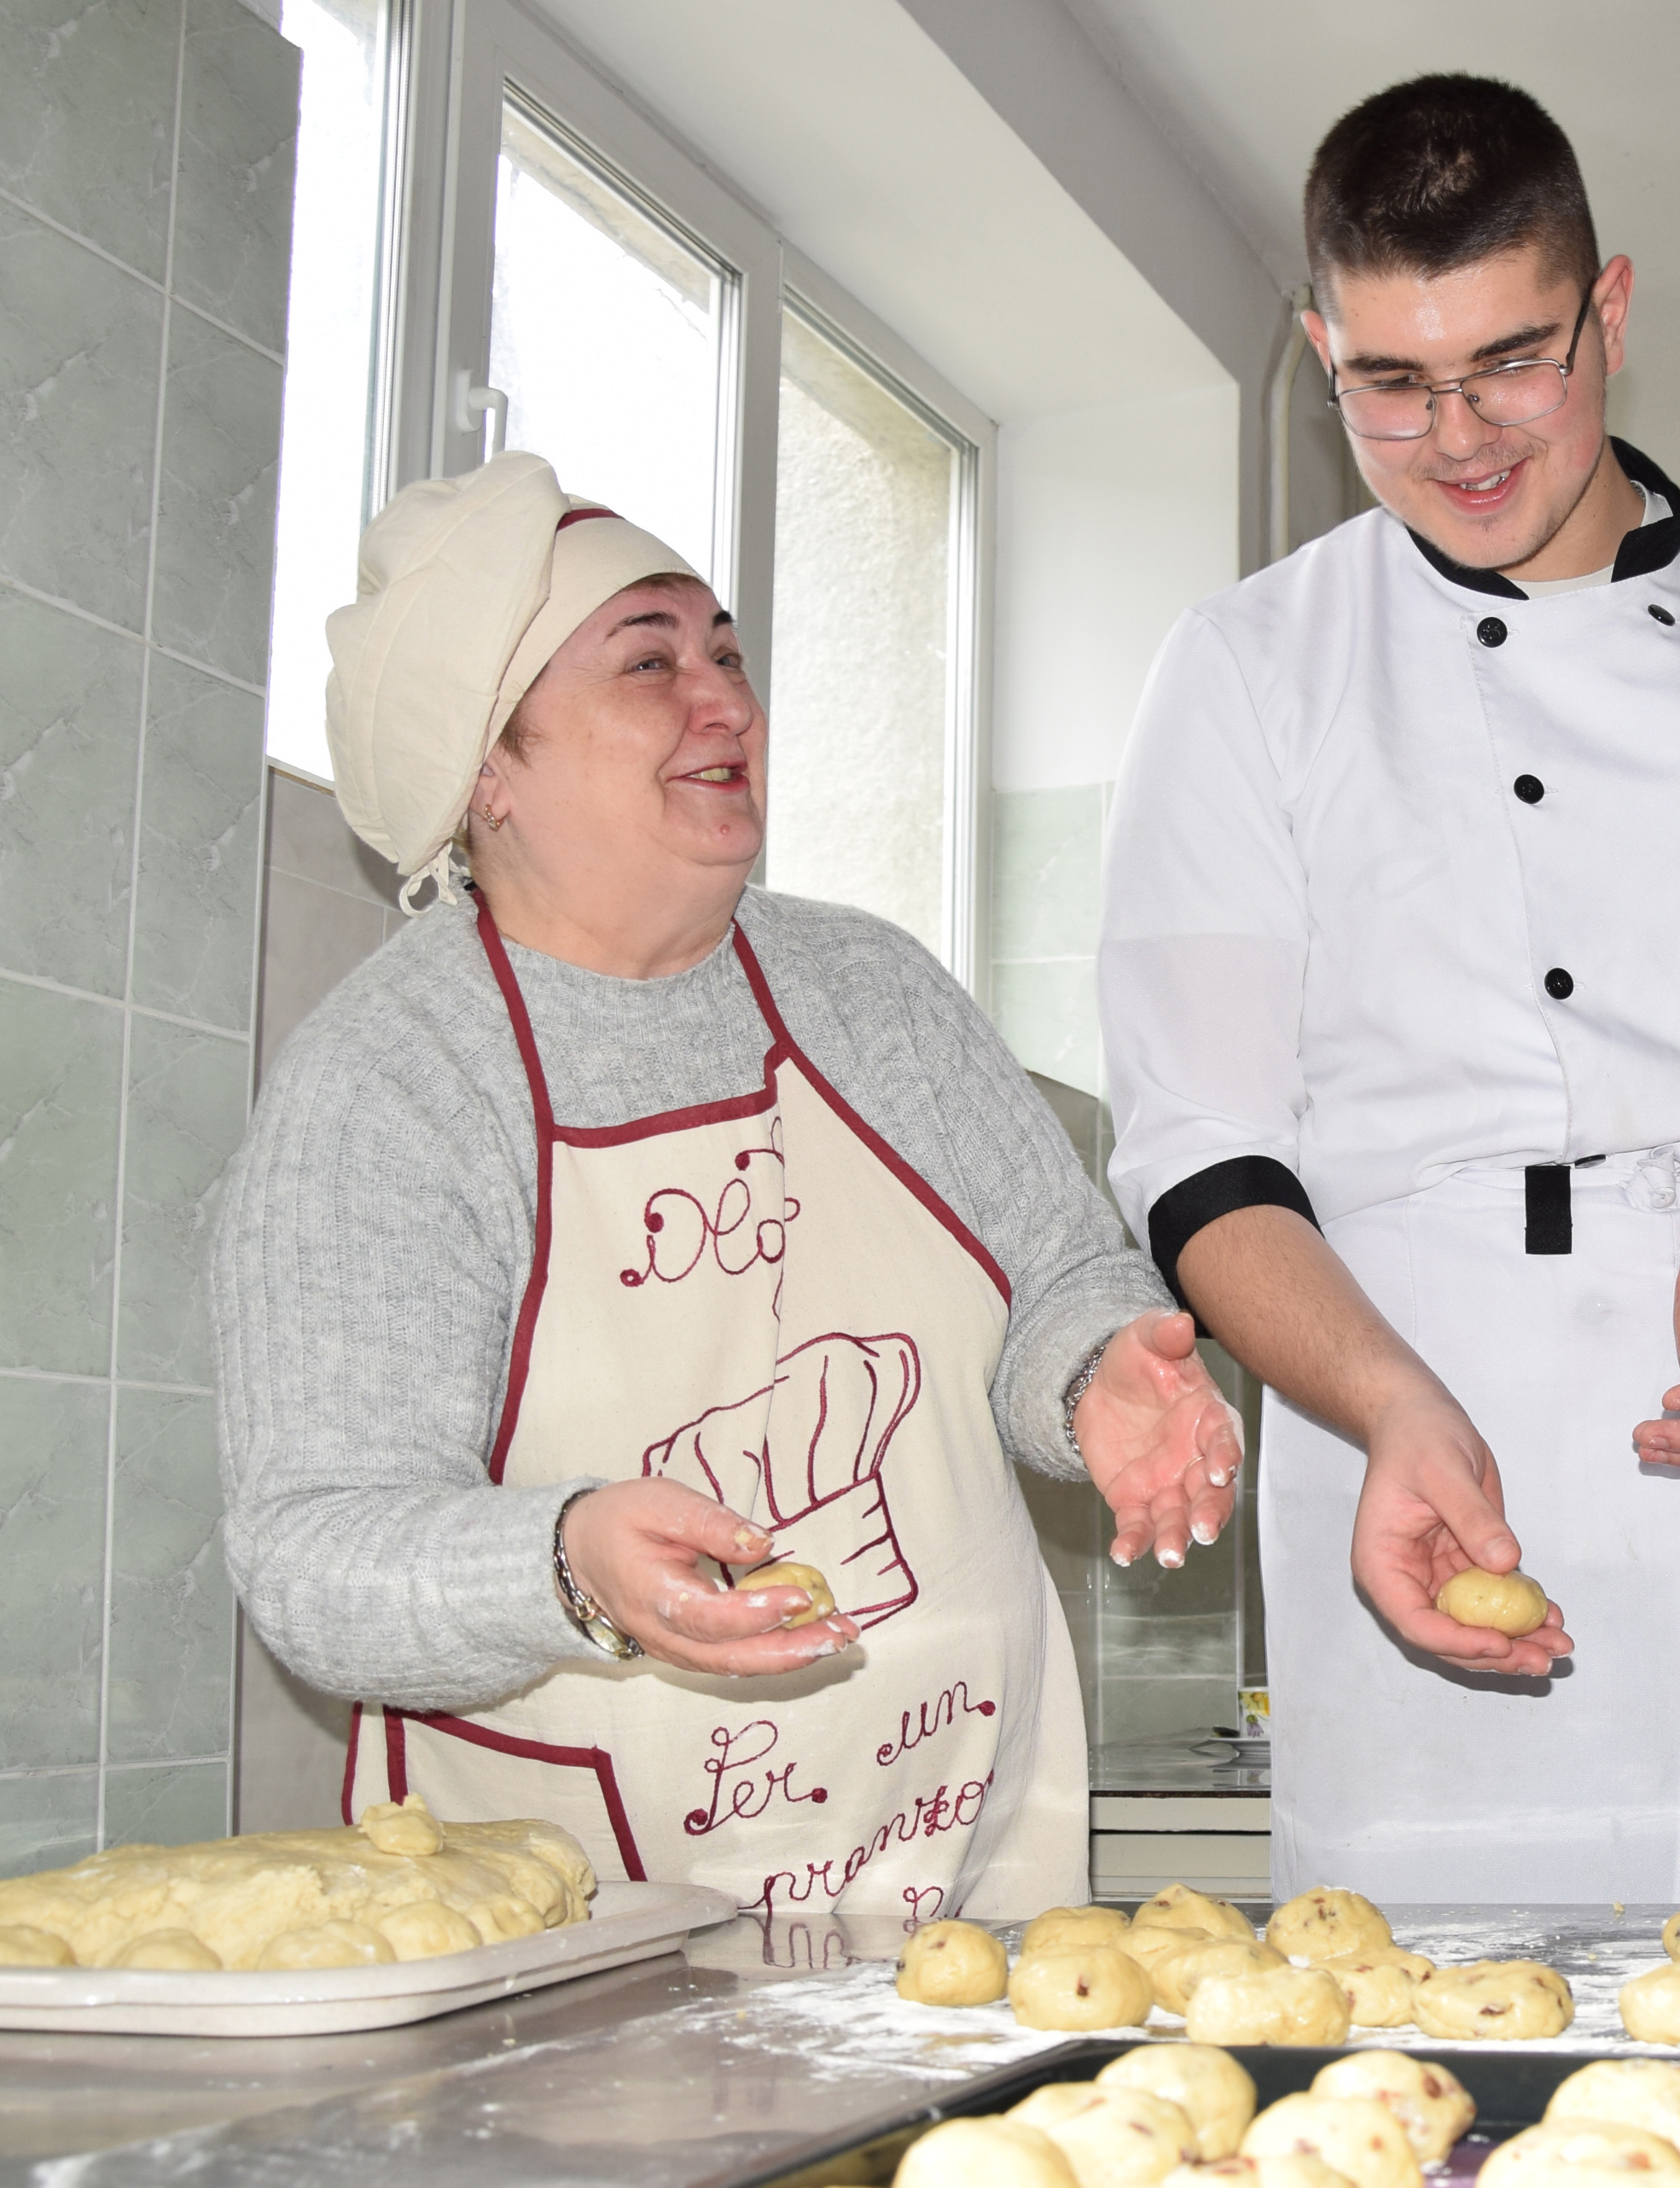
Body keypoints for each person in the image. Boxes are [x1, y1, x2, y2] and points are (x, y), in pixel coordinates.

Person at [1099, 76, 1680, 1904]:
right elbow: (1203, 1160)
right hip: (1428, 1467)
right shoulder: (1244, 670)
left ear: (1610, 309)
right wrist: (1387, 1404)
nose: (1454, 438)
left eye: (1513, 362)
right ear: (1319, 349)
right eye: (1388, 382)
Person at [212, 453, 1242, 1936]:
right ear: (485, 771)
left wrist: (1096, 1382)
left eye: (728, 655)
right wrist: (565, 1559)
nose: (729, 704)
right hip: (578, 1946)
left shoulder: (870, 989)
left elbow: (1064, 1279)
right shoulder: (393, 1084)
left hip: (963, 1891)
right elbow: (315, 1556)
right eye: (650, 663)